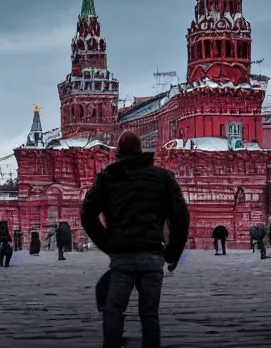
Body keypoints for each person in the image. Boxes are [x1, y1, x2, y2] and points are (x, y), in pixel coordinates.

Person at [80, 131, 190, 348]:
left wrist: (108, 244)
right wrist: (173, 252)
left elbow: (87, 214)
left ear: (119, 152)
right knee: (150, 313)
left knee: (114, 308)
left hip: (123, 256)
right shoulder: (162, 177)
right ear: (141, 151)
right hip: (152, 256)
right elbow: (181, 216)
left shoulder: (108, 176)